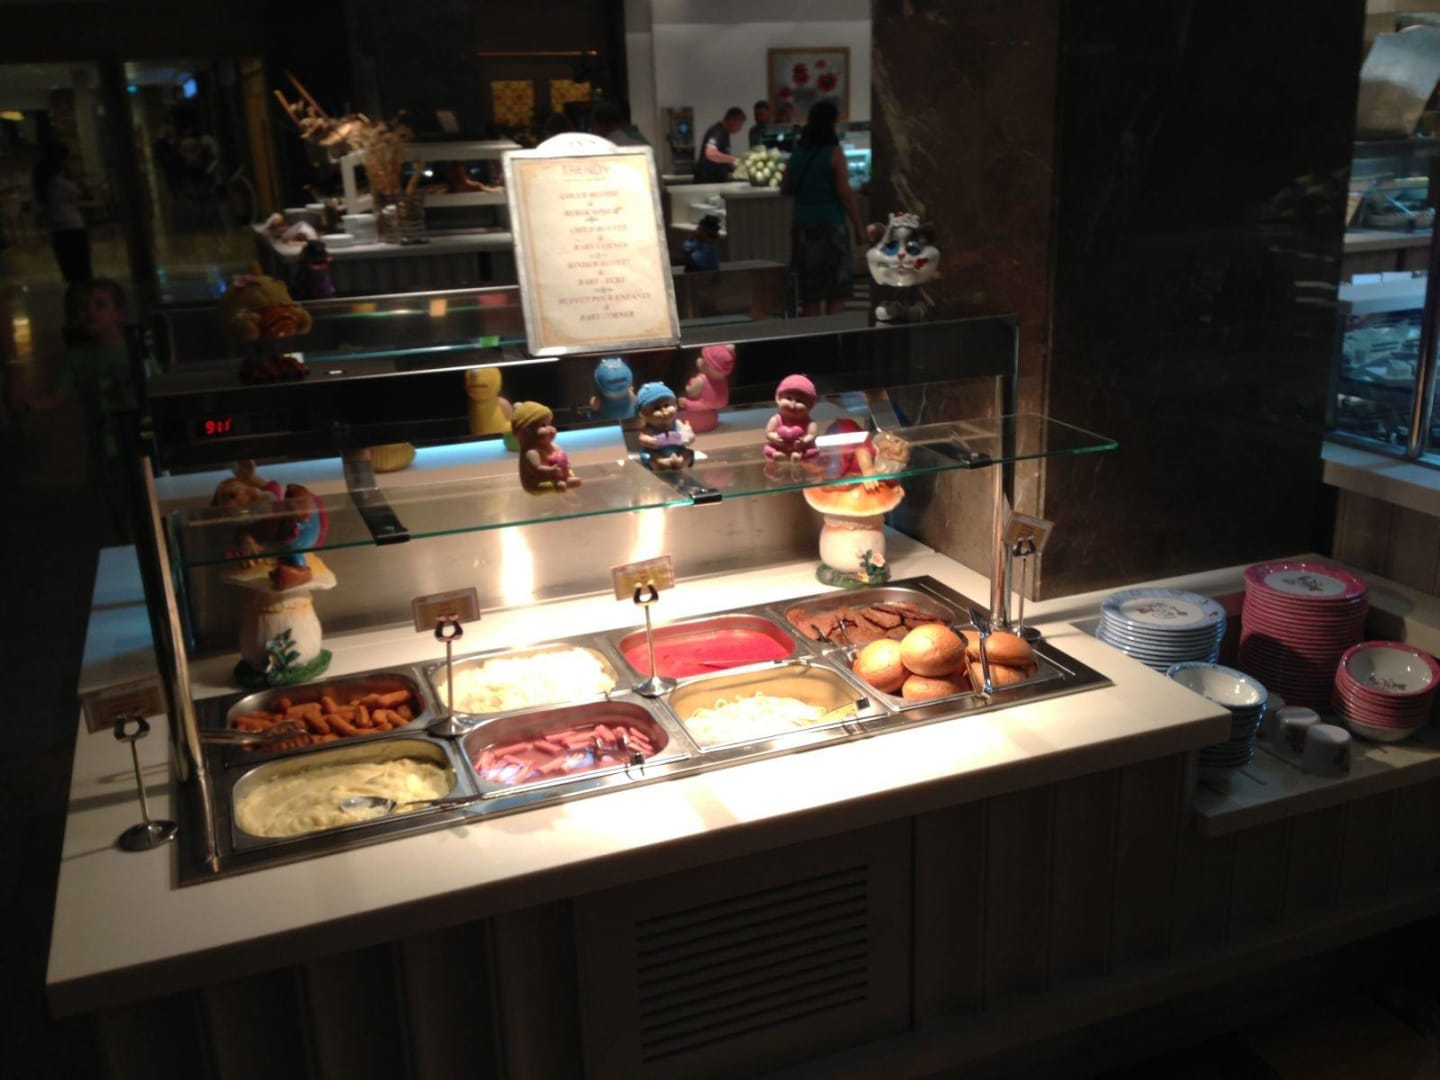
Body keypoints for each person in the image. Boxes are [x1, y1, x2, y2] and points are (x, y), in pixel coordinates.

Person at [780, 101, 864, 317]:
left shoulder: (798, 153)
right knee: (836, 289)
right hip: (830, 225)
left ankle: (813, 335)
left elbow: (785, 188)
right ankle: (834, 334)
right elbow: (845, 194)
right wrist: (858, 226)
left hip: (802, 225)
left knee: (810, 292)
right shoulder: (834, 153)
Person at [32, 141, 90, 284]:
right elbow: (85, 193)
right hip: (72, 227)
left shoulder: (42, 183)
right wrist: (73, 175)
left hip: (56, 230)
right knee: (83, 272)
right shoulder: (60, 183)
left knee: (70, 272)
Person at [693, 106, 745, 183]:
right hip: (707, 182)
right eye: (739, 124)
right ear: (731, 120)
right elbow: (710, 153)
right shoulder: (718, 132)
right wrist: (733, 159)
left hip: (716, 181)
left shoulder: (725, 134)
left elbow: (722, 158)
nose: (740, 128)